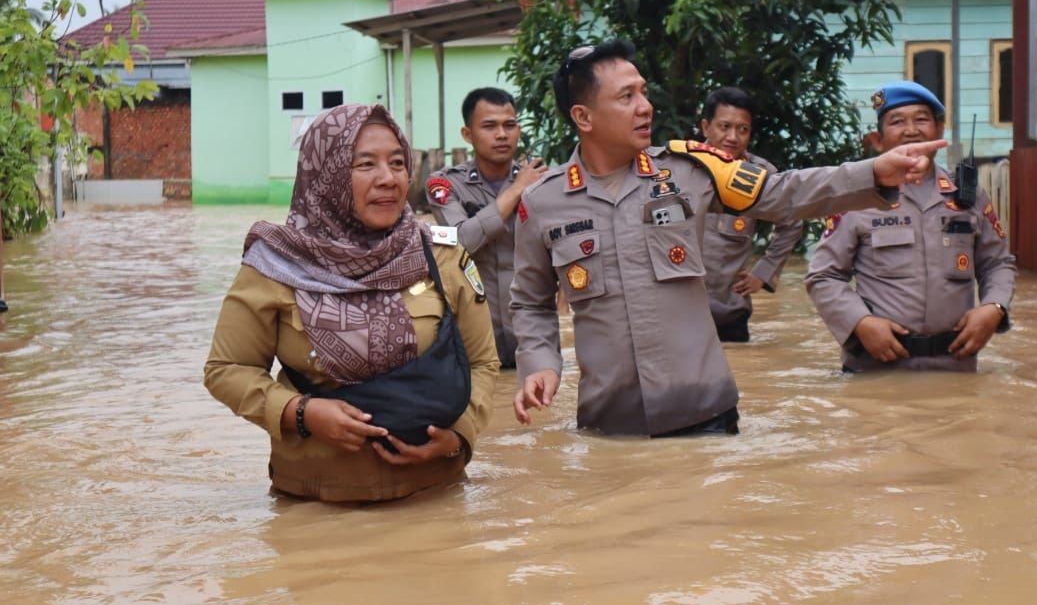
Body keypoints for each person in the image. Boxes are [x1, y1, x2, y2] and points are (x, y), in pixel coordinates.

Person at [509, 40, 946, 437]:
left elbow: (783, 194)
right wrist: (540, 364)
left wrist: (873, 171)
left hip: (706, 416)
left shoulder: (692, 171)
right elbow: (529, 301)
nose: (645, 107)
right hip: (611, 424)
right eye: (627, 97)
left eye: (643, 92)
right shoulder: (542, 203)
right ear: (583, 117)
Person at [204, 104, 499, 502]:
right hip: (315, 505)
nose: (388, 179)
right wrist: (300, 413)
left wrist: (457, 438)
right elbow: (227, 369)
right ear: (326, 174)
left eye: (398, 163)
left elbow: (482, 362)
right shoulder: (275, 265)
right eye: (365, 165)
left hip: (434, 498)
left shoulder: (440, 255)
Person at [804, 81, 1016, 372]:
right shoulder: (857, 197)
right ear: (878, 139)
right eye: (897, 122)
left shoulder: (968, 197)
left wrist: (994, 308)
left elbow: (998, 263)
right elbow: (823, 275)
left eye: (921, 119)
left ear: (939, 131)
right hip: (876, 369)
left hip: (955, 367)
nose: (911, 130)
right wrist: (860, 322)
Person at [426, 88, 547, 368]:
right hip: (475, 347)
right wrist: (517, 190)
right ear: (468, 134)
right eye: (490, 126)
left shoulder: (542, 182)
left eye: (510, 125)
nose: (502, 134)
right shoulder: (444, 185)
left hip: (533, 342)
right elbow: (460, 242)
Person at [697, 87, 806, 342]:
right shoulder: (680, 168)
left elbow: (792, 220)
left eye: (742, 129)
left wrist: (764, 272)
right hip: (678, 315)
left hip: (729, 314)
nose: (733, 137)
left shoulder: (760, 175)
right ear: (706, 127)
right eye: (724, 126)